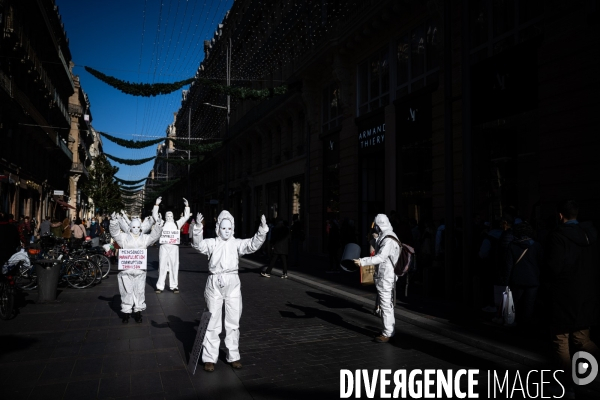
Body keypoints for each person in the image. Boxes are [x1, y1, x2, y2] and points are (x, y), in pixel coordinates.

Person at [191, 210, 268, 372]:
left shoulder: (236, 243)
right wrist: (197, 228)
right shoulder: (212, 243)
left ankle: (233, 355)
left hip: (233, 282)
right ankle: (209, 358)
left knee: (233, 321)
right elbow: (198, 244)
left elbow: (252, 244)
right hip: (214, 282)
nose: (226, 231)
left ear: (232, 228)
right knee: (212, 321)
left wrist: (261, 231)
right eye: (223, 228)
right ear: (218, 227)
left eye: (229, 228)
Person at [543, 200, 599, 395]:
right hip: (586, 295)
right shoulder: (589, 235)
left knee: (561, 341)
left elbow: (553, 269)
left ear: (560, 216)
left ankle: (566, 385)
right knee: (582, 339)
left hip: (563, 297)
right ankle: (590, 377)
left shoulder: (557, 237)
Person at [353, 214, 400, 343]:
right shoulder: (387, 236)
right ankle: (388, 330)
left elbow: (380, 257)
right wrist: (373, 239)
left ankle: (388, 332)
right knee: (386, 303)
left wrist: (362, 261)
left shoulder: (388, 239)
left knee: (385, 305)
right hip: (386, 274)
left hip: (386, 275)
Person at [110, 212, 163, 323]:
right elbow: (115, 234)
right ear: (129, 227)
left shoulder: (144, 238)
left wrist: (158, 225)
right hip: (126, 271)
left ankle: (138, 311)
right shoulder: (123, 238)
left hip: (139, 271)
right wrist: (114, 222)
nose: (136, 229)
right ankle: (126, 312)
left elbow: (154, 237)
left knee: (139, 291)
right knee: (126, 291)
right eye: (133, 227)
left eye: (138, 227)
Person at [504, 221, 542, 328]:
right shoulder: (536, 245)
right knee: (529, 304)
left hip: (517, 279)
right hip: (533, 279)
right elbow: (541, 263)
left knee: (516, 302)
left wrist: (506, 282)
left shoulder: (512, 245)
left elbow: (508, 266)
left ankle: (516, 322)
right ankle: (526, 326)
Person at [152, 197, 190, 294]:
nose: (169, 217)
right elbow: (155, 216)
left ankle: (174, 286)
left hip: (174, 247)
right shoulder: (162, 223)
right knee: (162, 266)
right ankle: (160, 286)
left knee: (174, 265)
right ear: (165, 217)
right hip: (164, 247)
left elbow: (186, 217)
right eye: (167, 216)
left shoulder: (177, 224)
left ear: (173, 216)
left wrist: (187, 206)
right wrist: (156, 205)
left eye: (170, 216)